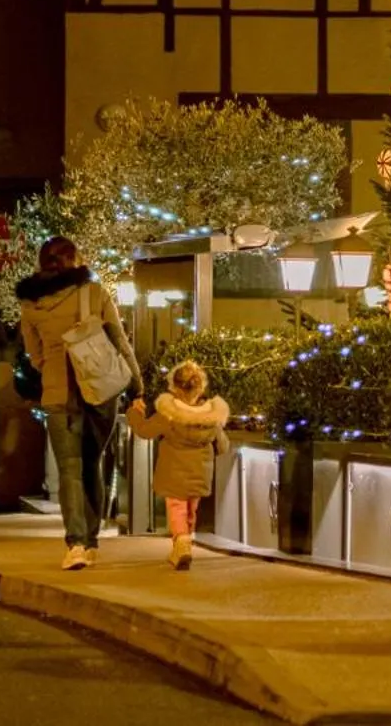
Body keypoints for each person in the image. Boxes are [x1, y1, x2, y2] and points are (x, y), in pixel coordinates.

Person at [17, 236, 142, 571]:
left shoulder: (31, 305)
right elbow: (119, 341)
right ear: (74, 260)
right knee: (93, 464)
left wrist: (55, 369)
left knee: (69, 469)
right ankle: (92, 540)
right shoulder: (95, 294)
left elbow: (35, 355)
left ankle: (75, 543)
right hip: (101, 391)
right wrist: (137, 383)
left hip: (59, 394)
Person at [127, 360, 230, 571]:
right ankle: (184, 544)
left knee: (177, 508)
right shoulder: (211, 415)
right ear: (201, 387)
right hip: (200, 471)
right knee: (191, 509)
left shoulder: (169, 413)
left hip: (174, 471)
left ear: (174, 386)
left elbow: (145, 430)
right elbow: (223, 446)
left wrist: (134, 412)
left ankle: (181, 542)